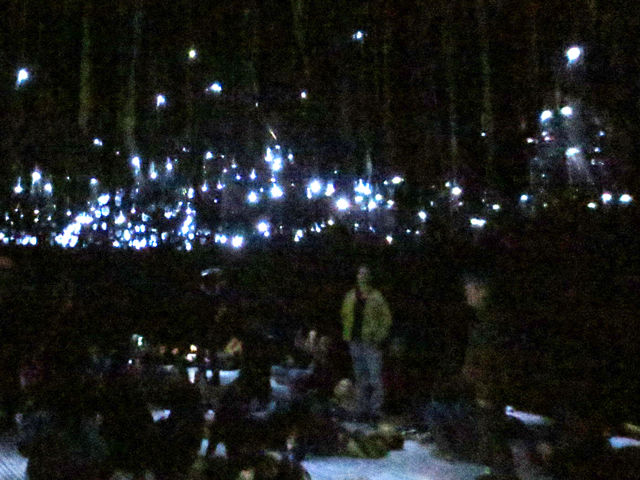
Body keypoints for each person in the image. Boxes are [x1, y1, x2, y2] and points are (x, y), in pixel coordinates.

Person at [462, 272, 519, 480]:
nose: (467, 296)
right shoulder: (486, 319)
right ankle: (497, 474)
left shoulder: (491, 321)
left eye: (470, 291)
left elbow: (492, 358)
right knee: (489, 434)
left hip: (490, 387)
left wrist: (486, 386)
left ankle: (505, 475)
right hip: (487, 385)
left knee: (494, 434)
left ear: (482, 291)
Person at [341, 265, 392, 424]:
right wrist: (347, 334)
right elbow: (344, 315)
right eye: (360, 273)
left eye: (365, 273)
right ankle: (361, 410)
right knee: (360, 378)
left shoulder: (377, 297)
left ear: (370, 276)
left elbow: (386, 319)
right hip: (355, 341)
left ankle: (375, 411)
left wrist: (378, 337)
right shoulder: (350, 295)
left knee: (375, 378)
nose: (362, 276)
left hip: (371, 342)